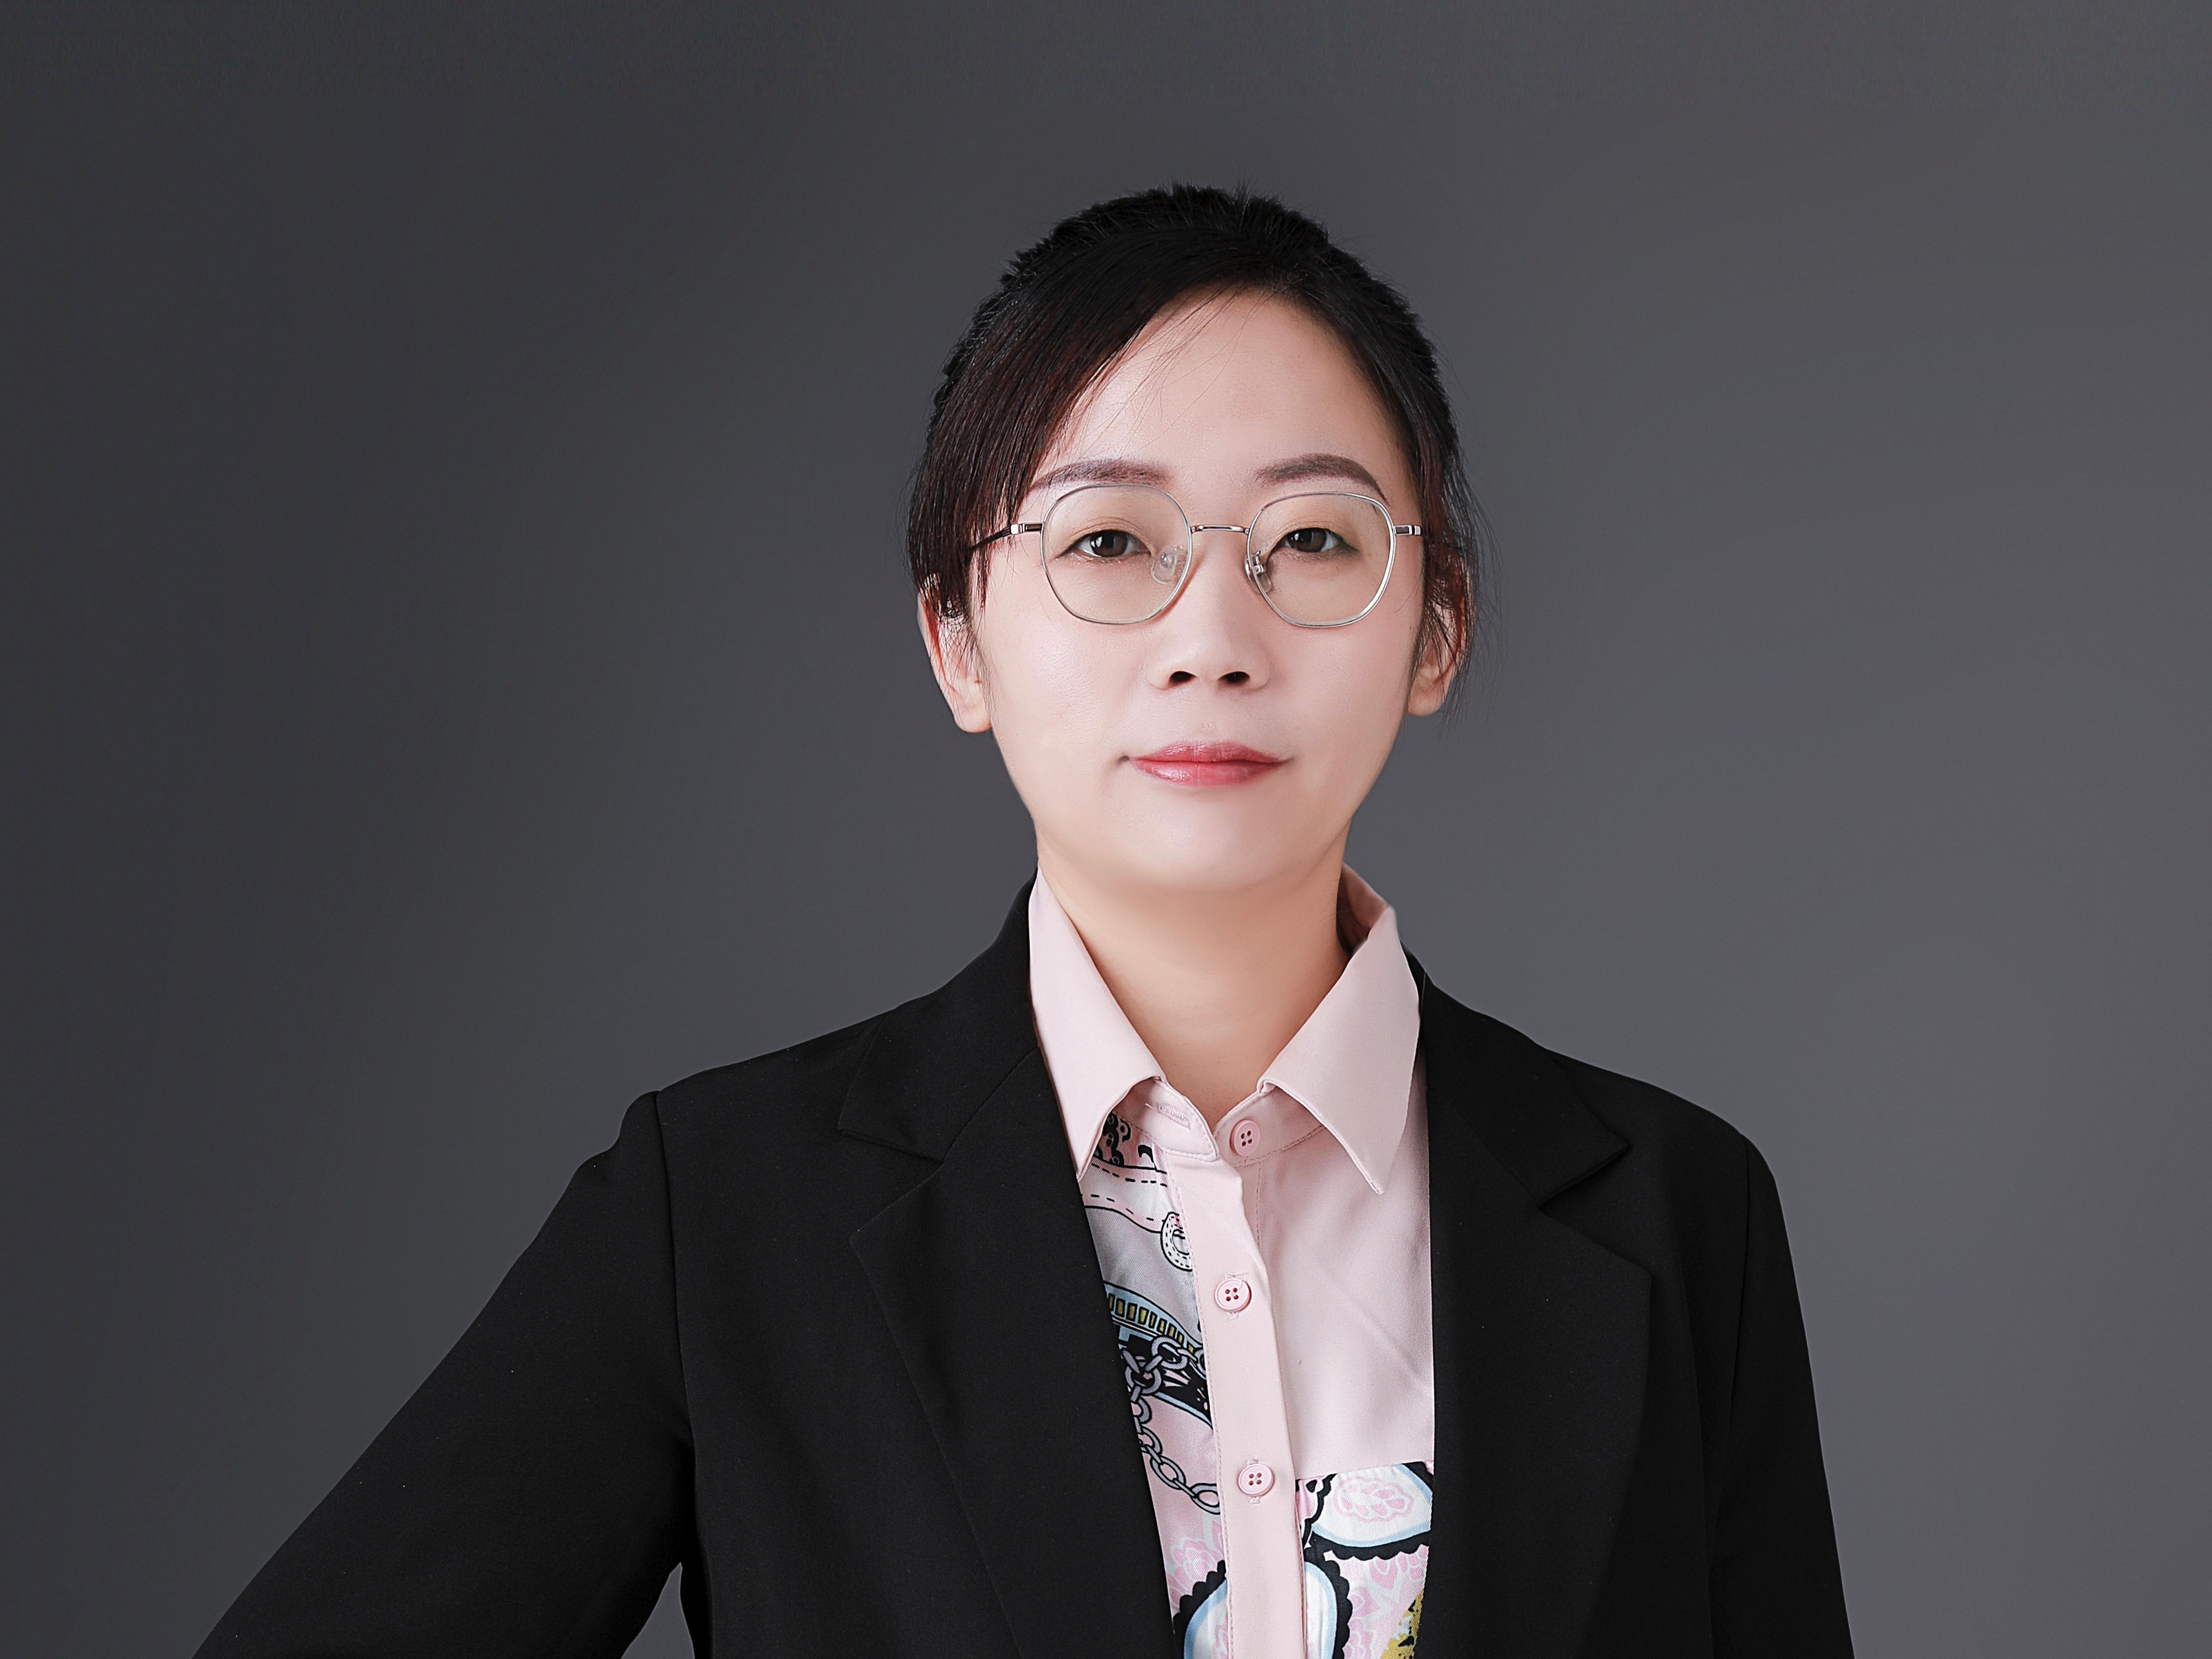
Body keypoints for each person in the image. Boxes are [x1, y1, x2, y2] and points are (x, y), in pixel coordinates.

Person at [196, 185, 1852, 1659]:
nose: (1213, 636)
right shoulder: (726, 1218)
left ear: (1437, 630)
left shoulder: (1676, 1219)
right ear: (958, 641)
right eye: (1111, 542)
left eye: (1312, 541)